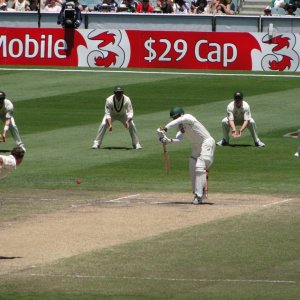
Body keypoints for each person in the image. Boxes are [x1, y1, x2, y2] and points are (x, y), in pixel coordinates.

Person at [157, 107, 216, 205]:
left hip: (207, 142)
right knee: (192, 165)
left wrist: (165, 128)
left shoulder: (188, 117)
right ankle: (198, 192)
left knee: (200, 167)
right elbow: (179, 138)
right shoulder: (181, 126)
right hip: (197, 146)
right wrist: (168, 140)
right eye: (173, 118)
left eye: (176, 117)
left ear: (181, 114)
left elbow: (180, 120)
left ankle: (199, 195)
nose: (175, 119)